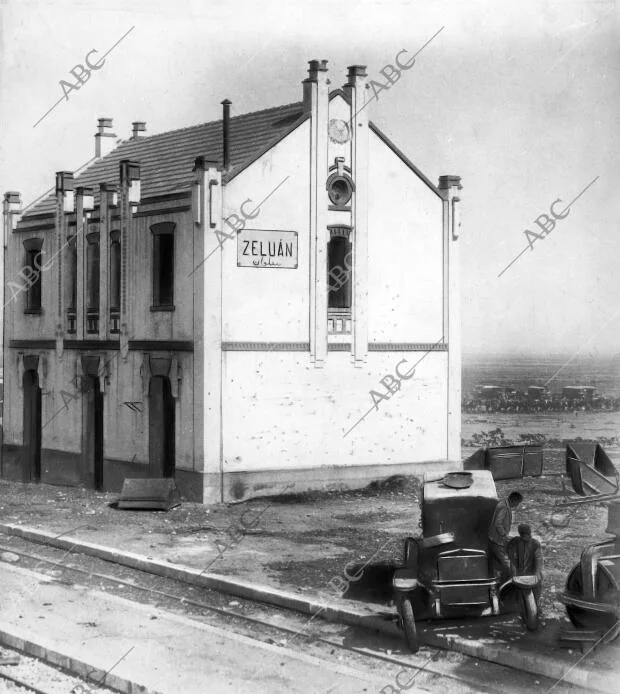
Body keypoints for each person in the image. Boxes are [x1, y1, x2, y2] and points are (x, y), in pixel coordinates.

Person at [488, 491, 523, 582]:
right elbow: (498, 523)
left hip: (496, 538)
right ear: (514, 500)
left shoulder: (504, 503)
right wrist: (504, 535)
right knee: (506, 565)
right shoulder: (504, 507)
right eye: (518, 503)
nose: (517, 505)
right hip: (496, 540)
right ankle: (507, 582)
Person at [507, 523, 544, 609]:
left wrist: (537, 573)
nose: (527, 537)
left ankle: (536, 603)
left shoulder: (535, 544)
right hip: (519, 574)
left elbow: (539, 560)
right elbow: (511, 560)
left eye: (528, 534)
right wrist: (513, 574)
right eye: (524, 535)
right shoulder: (514, 542)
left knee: (537, 585)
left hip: (532, 574)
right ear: (520, 534)